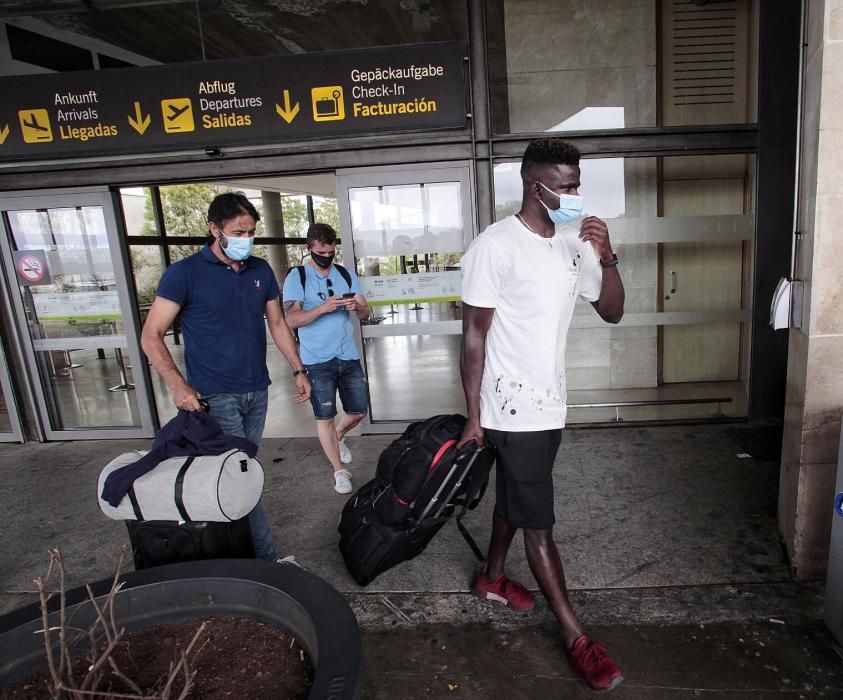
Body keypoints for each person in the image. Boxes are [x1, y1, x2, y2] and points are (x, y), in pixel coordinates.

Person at [458, 138, 626, 691]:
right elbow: (474, 337)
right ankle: (578, 638)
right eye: (568, 186)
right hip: (511, 407)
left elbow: (611, 311)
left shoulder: (574, 244)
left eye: (578, 184)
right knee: (539, 523)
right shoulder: (496, 247)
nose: (577, 195)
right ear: (538, 187)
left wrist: (606, 254)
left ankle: (490, 577)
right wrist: (474, 416)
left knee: (518, 494)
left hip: (550, 402)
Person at [141, 191, 311, 563]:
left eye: (251, 231)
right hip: (215, 395)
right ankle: (265, 560)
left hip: (256, 390)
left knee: (235, 473)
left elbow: (278, 324)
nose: (245, 239)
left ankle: (229, 555)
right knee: (241, 474)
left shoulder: (260, 270)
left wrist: (298, 369)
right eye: (238, 231)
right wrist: (178, 385)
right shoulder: (184, 274)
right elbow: (150, 334)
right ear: (213, 229)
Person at [282, 223, 370, 495]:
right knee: (325, 417)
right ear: (310, 248)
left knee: (358, 411)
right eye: (320, 252)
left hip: (348, 355)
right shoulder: (298, 277)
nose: (326, 257)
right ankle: (338, 471)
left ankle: (339, 437)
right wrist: (323, 308)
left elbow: (366, 313)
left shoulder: (345, 274)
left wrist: (358, 306)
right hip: (316, 360)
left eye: (330, 252)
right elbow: (291, 319)